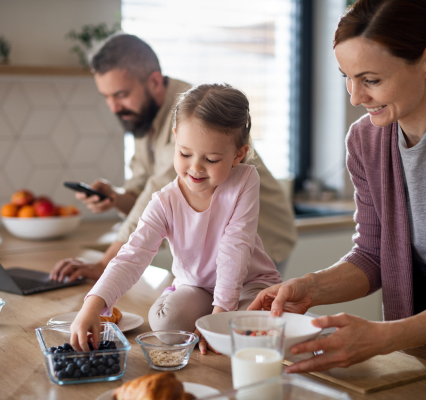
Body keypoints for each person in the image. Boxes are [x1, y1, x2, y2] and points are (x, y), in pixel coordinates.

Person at [249, 0, 426, 371]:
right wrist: (311, 287)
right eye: (347, 77)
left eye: (371, 80)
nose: (355, 97)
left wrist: (382, 338)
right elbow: (373, 255)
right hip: (415, 338)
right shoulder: (364, 141)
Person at [49, 34, 296, 282]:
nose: (114, 107)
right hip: (210, 247)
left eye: (121, 94)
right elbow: (142, 188)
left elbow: (155, 192)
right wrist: (115, 197)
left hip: (260, 239)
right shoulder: (144, 115)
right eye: (107, 96)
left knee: (235, 318)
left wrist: (104, 264)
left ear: (155, 81)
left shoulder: (191, 112)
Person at [69, 84, 282, 354]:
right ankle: (202, 313)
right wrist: (92, 306)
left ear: (238, 154)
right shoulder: (164, 201)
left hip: (249, 285)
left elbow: (235, 249)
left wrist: (219, 317)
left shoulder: (245, 180)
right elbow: (132, 255)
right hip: (197, 288)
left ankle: (221, 321)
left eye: (212, 159)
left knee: (261, 326)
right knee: (167, 323)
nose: (195, 167)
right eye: (185, 153)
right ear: (175, 138)